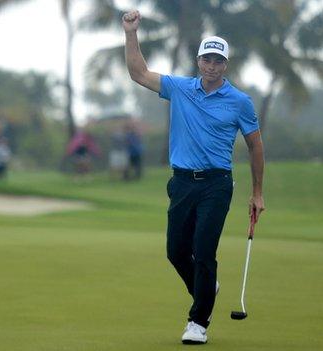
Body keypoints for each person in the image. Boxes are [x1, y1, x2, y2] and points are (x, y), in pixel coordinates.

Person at [122, 10, 265, 344]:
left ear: (225, 65)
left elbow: (256, 148)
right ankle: (206, 288)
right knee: (175, 252)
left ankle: (198, 321)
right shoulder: (180, 88)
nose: (212, 66)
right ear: (198, 61)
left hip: (216, 184)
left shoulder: (240, 102)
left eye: (218, 61)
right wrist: (130, 32)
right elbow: (138, 72)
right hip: (183, 182)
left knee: (203, 251)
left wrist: (257, 192)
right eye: (207, 59)